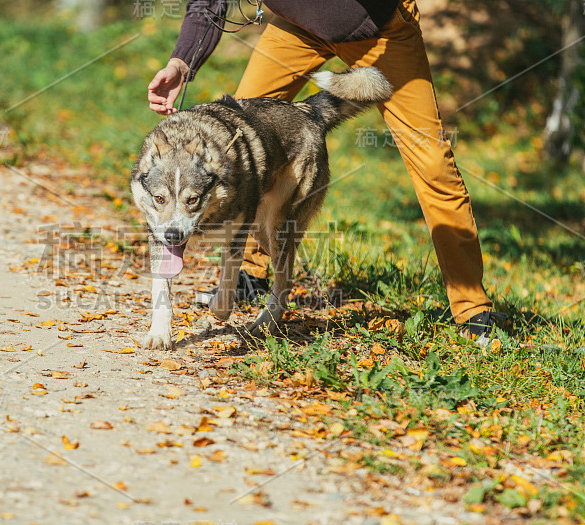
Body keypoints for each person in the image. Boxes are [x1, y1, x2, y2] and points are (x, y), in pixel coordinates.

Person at [147, 0, 501, 342]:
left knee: (433, 164)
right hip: (297, 26)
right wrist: (183, 61)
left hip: (381, 27)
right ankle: (251, 275)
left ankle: (472, 308)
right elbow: (209, 2)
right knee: (238, 153)